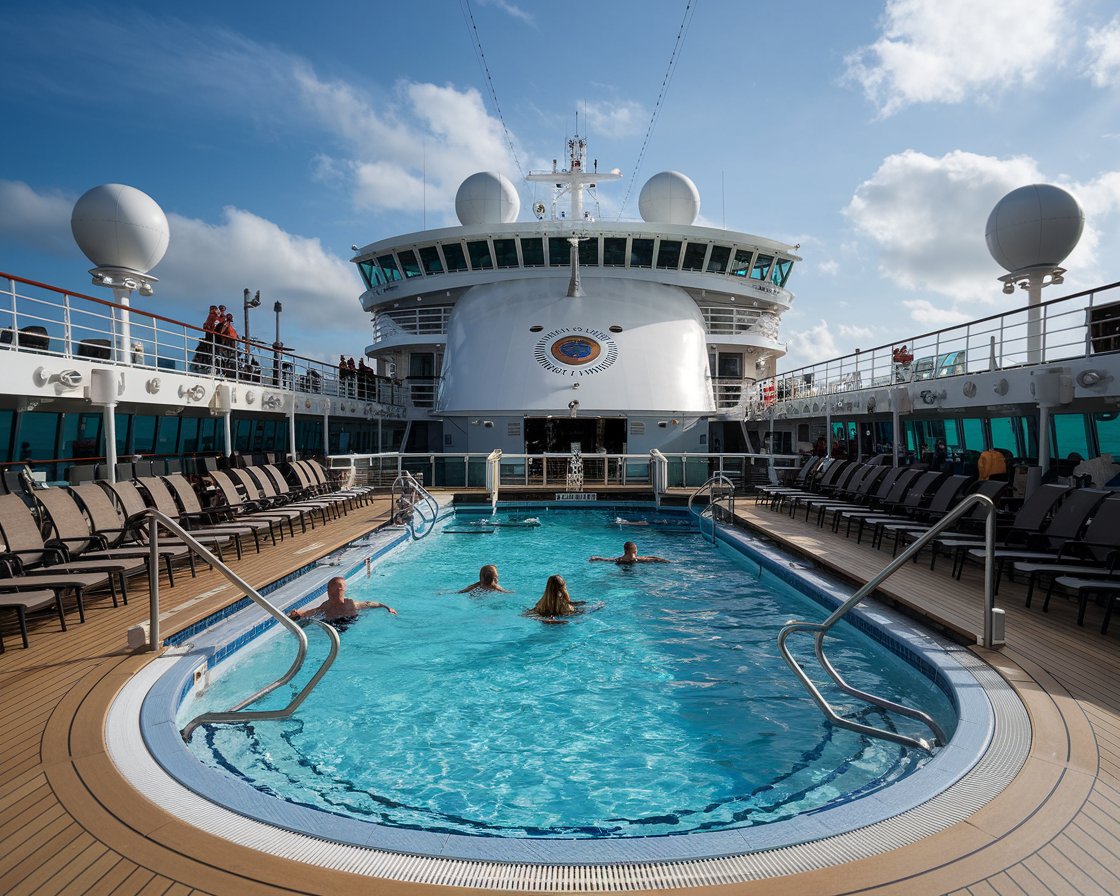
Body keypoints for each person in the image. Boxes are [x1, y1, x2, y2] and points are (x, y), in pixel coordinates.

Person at [288, 576, 396, 628]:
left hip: (344, 623)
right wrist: (299, 613)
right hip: (338, 624)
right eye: (339, 588)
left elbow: (370, 603)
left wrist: (386, 607)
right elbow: (310, 612)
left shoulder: (350, 603)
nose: (340, 590)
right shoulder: (327, 606)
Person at [589, 541, 668, 564]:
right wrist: (597, 558)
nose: (635, 553)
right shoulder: (619, 560)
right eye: (634, 551)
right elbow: (608, 559)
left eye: (635, 551)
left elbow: (653, 558)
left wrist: (664, 560)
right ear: (627, 551)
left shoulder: (636, 559)